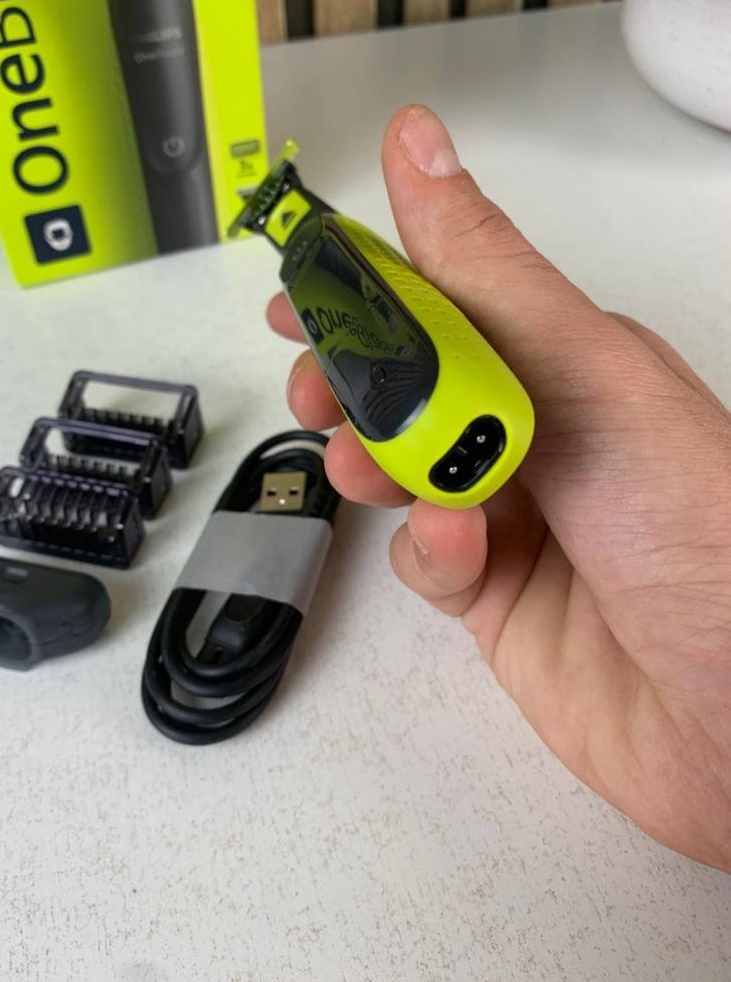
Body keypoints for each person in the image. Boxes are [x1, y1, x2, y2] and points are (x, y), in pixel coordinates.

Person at [266, 105, 731, 874]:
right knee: (349, 433)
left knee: (351, 436)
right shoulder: (320, 255)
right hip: (450, 418)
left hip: (448, 420)